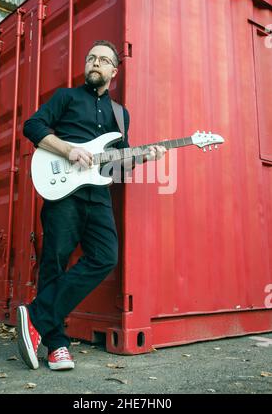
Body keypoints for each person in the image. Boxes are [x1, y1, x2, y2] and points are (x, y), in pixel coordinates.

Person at [17, 40, 166, 370]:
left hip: (98, 194)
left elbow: (118, 165)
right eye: (91, 58)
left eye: (102, 60)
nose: (94, 63)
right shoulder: (66, 98)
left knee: (105, 256)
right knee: (54, 262)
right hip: (63, 191)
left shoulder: (119, 114)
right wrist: (68, 150)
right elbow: (32, 126)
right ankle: (56, 345)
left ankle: (36, 316)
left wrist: (143, 156)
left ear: (114, 71)